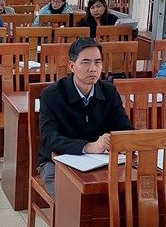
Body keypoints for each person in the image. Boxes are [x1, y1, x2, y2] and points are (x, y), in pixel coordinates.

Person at [38, 37, 133, 199]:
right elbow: (49, 138)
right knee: (71, 199)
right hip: (56, 162)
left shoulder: (109, 92)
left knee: (128, 191)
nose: (93, 68)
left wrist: (120, 142)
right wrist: (88, 147)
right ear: (72, 66)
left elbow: (125, 129)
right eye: (86, 62)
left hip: (101, 161)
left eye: (98, 62)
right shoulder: (52, 95)